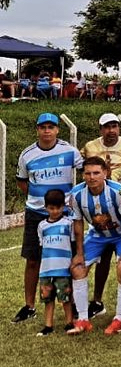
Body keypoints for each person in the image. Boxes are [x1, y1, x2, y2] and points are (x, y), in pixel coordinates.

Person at [13, 113, 83, 324]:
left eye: (50, 127)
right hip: (36, 214)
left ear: (57, 130)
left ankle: (74, 307)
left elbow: (86, 171)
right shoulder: (27, 155)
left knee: (68, 261)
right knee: (33, 259)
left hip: (65, 215)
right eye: (42, 127)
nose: (46, 131)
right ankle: (29, 306)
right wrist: (38, 200)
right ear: (37, 129)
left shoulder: (69, 151)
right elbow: (22, 182)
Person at [67, 156, 121, 336]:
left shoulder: (118, 191)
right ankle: (83, 319)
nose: (92, 177)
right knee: (77, 269)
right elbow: (78, 223)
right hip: (97, 235)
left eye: (96, 173)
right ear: (83, 175)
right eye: (88, 173)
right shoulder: (76, 194)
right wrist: (79, 253)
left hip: (120, 235)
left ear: (105, 173)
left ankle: (119, 318)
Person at [34, 189, 75, 336]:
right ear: (46, 207)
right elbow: (41, 247)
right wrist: (41, 266)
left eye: (58, 208)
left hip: (63, 269)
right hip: (46, 269)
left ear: (63, 207)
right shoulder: (41, 226)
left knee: (65, 298)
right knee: (47, 298)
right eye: (51, 208)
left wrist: (73, 263)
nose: (55, 211)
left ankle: (69, 323)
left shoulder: (68, 223)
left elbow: (73, 244)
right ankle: (48, 326)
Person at [81, 113, 121, 184]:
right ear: (100, 129)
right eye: (107, 127)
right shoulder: (90, 147)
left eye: (114, 126)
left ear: (119, 128)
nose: (111, 130)